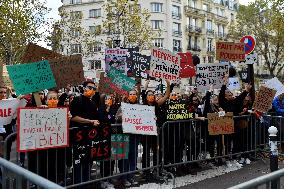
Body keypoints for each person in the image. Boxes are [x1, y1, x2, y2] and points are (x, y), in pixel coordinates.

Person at [69, 81, 100, 186]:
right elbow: (73, 117)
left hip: (90, 137)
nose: (91, 90)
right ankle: (78, 184)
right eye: (89, 87)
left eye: (94, 88)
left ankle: (86, 183)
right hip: (78, 137)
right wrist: (90, 122)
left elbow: (96, 118)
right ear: (84, 88)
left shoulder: (92, 103)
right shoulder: (77, 100)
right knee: (78, 162)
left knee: (88, 162)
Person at [141, 79, 170, 179]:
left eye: (152, 95)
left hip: (156, 133)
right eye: (149, 95)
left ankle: (156, 168)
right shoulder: (143, 105)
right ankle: (146, 171)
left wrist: (168, 84)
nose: (151, 96)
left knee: (157, 151)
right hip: (145, 134)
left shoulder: (157, 105)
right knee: (146, 152)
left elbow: (166, 96)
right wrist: (147, 83)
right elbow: (142, 93)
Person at [115, 89, 139, 187]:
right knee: (124, 158)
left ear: (136, 96)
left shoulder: (140, 107)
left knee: (133, 157)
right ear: (128, 96)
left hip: (135, 135)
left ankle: (131, 177)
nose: (132, 96)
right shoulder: (122, 107)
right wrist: (121, 116)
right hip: (124, 135)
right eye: (131, 94)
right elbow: (116, 118)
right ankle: (124, 178)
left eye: (134, 94)